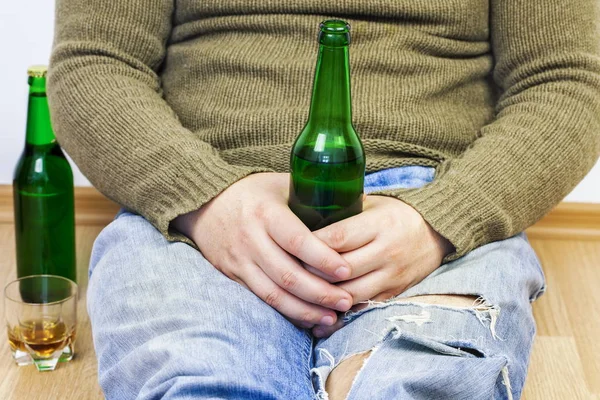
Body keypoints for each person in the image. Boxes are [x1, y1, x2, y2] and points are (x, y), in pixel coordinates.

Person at [48, 0, 599, 398]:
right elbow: (95, 61)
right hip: (200, 215)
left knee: (423, 381)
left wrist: (442, 219)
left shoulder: (441, 217)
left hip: (433, 206)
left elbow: (565, 81)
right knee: (203, 380)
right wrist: (205, 198)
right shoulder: (202, 204)